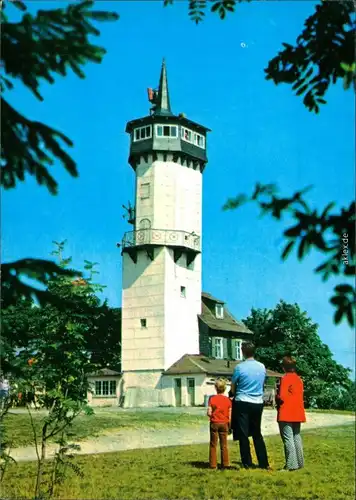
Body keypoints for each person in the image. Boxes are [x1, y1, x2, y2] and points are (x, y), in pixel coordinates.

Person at [231, 342, 270, 469]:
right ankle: (263, 462)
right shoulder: (262, 367)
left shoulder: (239, 368)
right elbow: (262, 383)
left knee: (243, 434)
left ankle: (247, 462)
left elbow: (233, 386)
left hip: (242, 401)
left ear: (242, 352)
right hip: (257, 402)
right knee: (257, 433)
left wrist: (233, 393)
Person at [276, 356, 306, 472]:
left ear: (284, 367)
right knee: (296, 437)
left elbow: (282, 396)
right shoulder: (299, 379)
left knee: (288, 439)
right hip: (297, 412)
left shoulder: (285, 379)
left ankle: (291, 464)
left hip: (286, 412)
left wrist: (276, 397)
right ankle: (299, 462)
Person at [207, 378, 232, 470]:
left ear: (215, 388)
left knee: (213, 444)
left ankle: (213, 464)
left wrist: (212, 416)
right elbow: (230, 415)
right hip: (224, 423)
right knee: (224, 444)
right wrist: (230, 426)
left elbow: (209, 412)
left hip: (214, 423)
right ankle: (225, 464)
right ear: (225, 388)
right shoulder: (228, 400)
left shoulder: (212, 399)